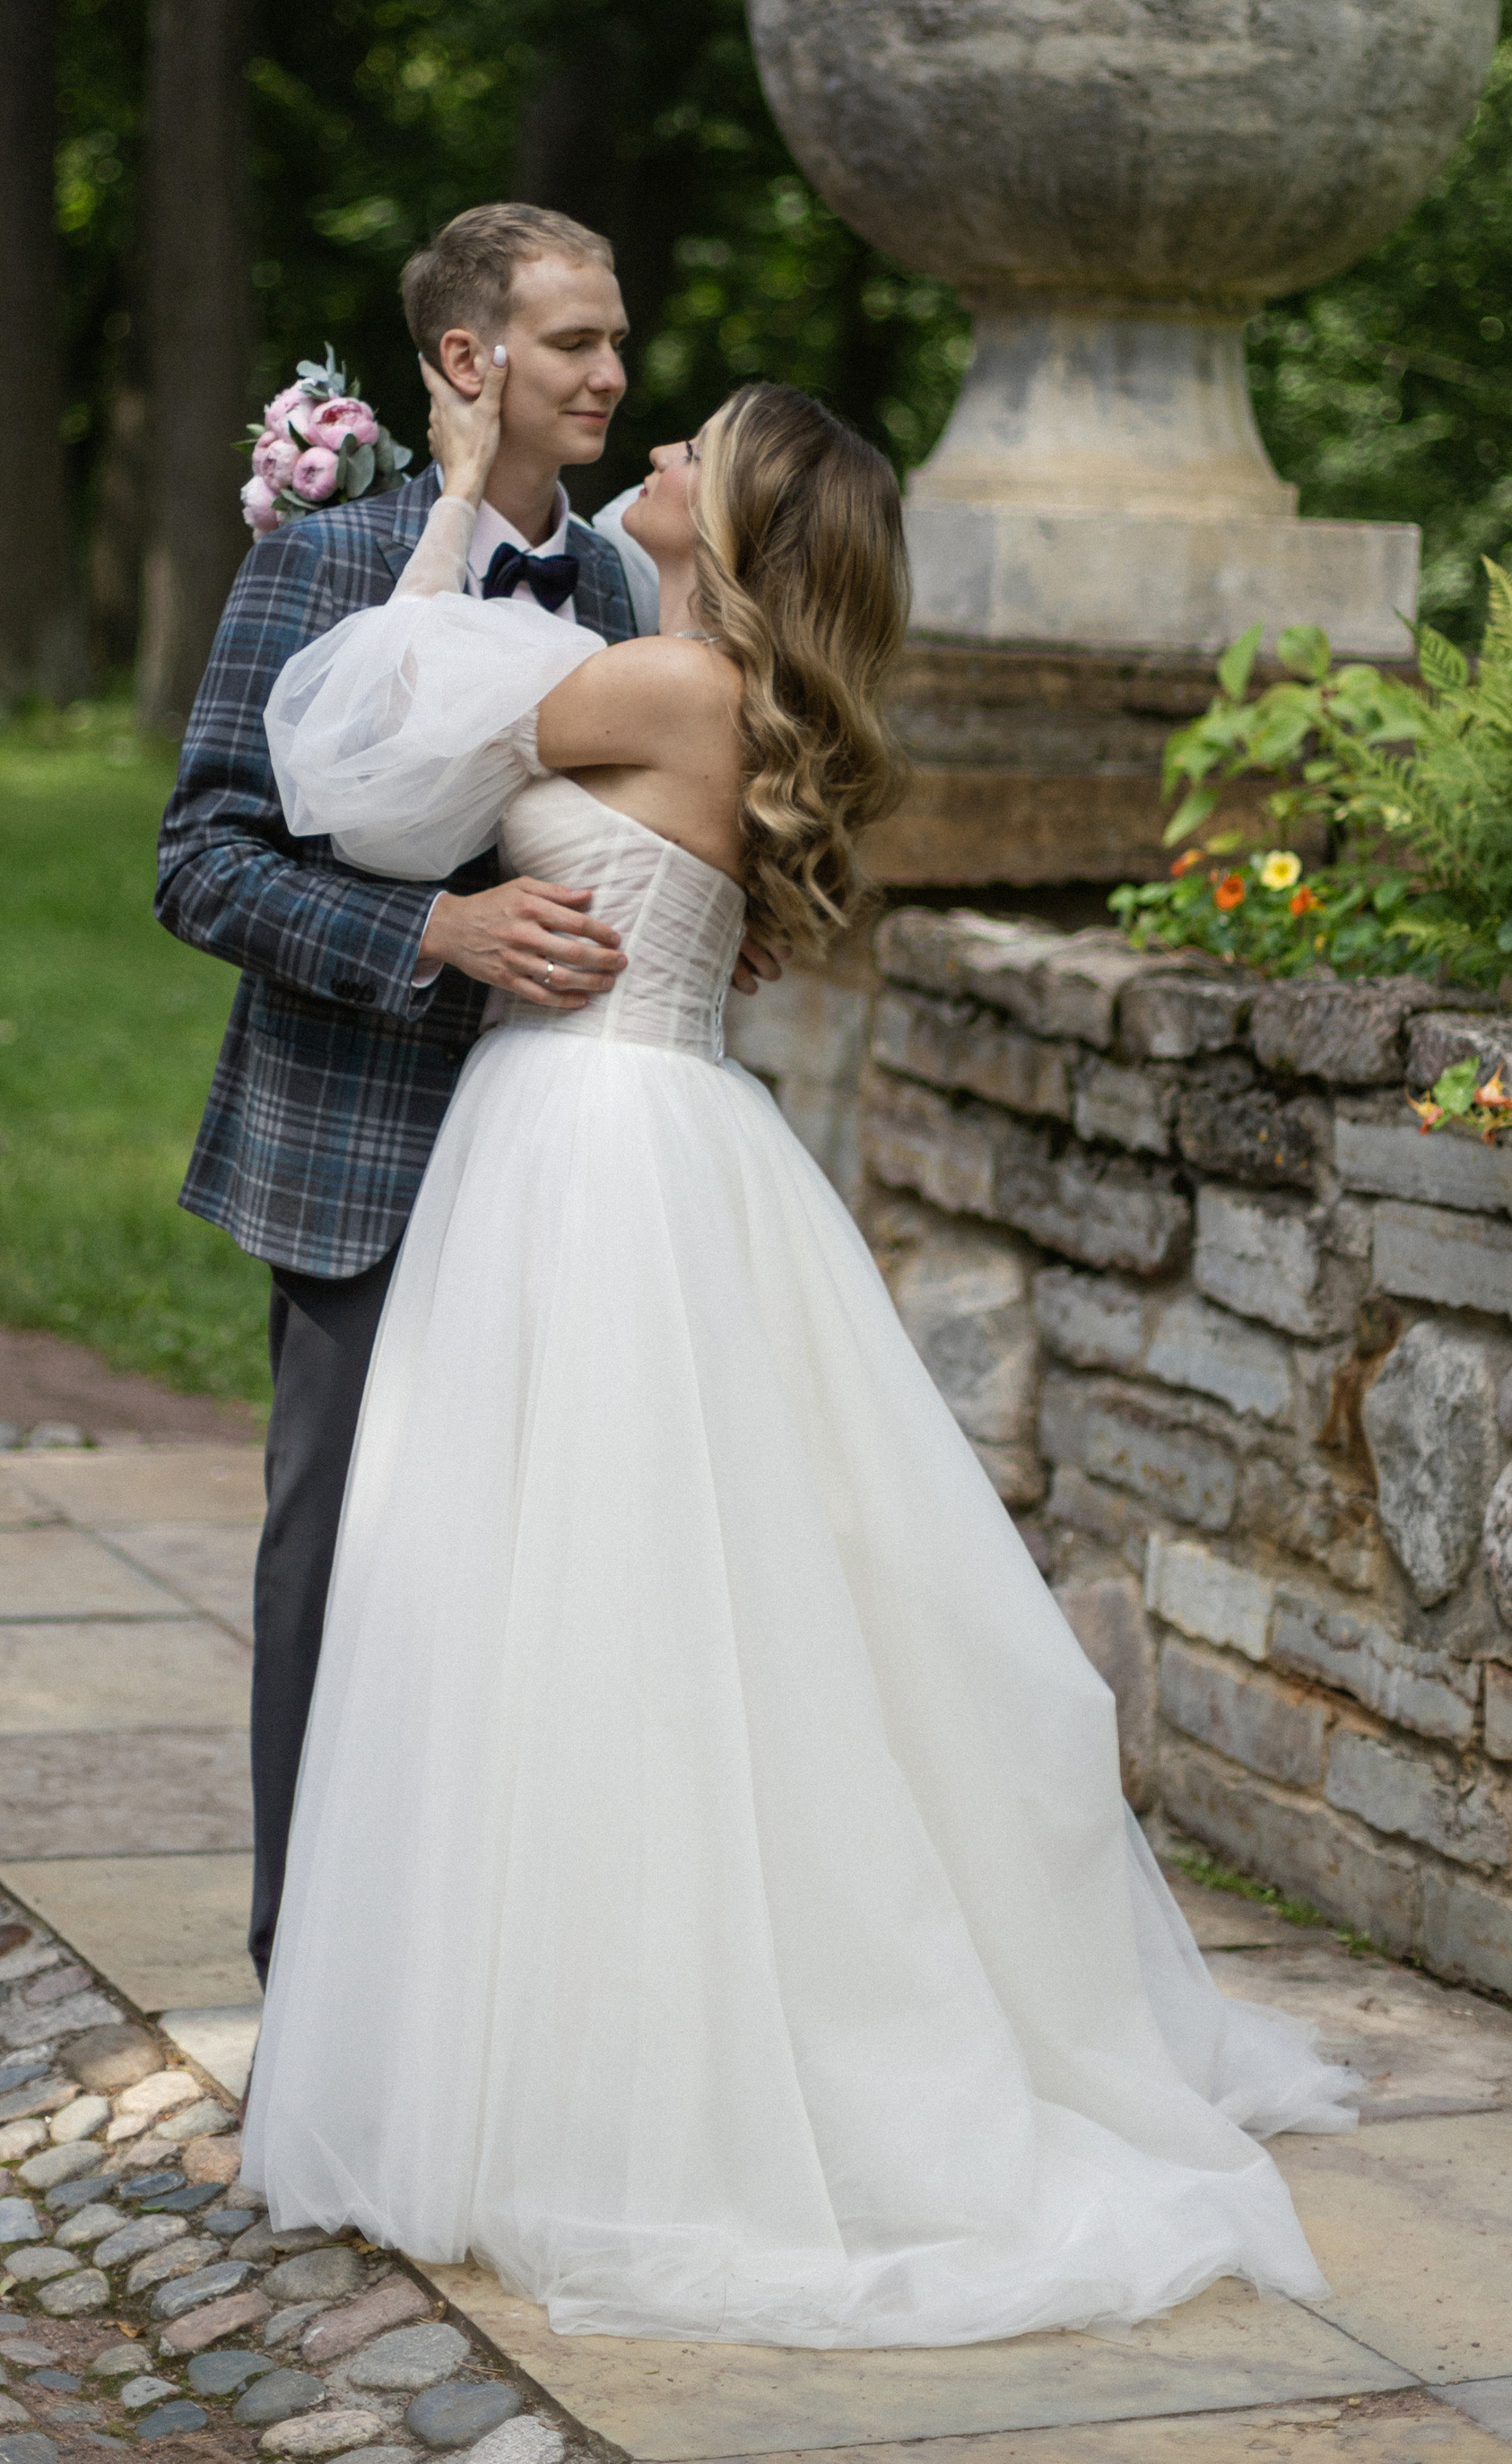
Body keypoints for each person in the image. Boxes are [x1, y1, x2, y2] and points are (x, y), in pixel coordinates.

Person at [239, 365, 1359, 2348]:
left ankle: (604, 2081)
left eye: (697, 452)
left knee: (569, 1614)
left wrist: (452, 491)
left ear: (738, 528)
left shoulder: (663, 694)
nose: (656, 452)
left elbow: (346, 734)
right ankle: (589, 2034)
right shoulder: (686, 691)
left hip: (583, 1155)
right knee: (623, 1617)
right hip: (635, 1139)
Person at [155, 203, 773, 1986]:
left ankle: (497, 1988)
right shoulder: (324, 565)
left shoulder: (628, 594)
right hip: (360, 1157)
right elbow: (201, 860)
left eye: (614, 337)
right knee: (336, 1564)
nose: (609, 371)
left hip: (573, 1169)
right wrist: (434, 926)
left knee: (550, 1588)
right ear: (462, 362)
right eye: (573, 341)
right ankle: (309, 1980)